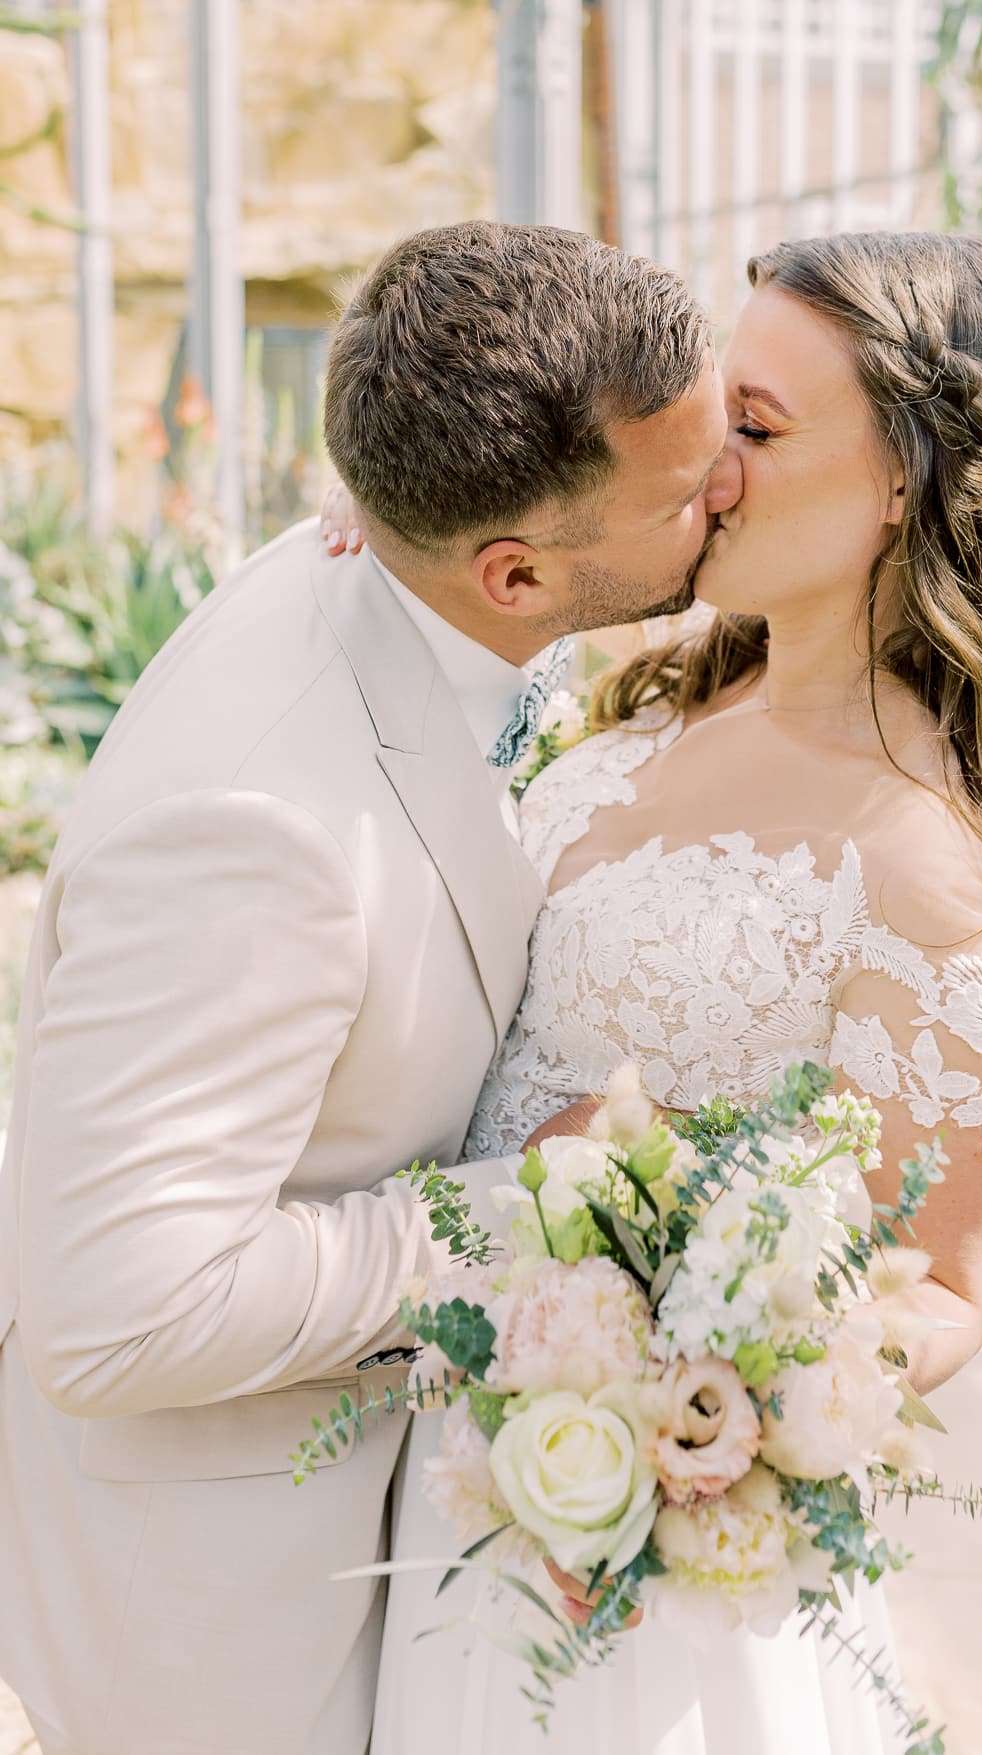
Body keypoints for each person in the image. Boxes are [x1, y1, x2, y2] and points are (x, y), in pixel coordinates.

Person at [330, 230, 982, 1753]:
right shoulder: (623, 696)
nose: (708, 465)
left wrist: (678, 1364)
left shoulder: (926, 868)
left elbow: (939, 1290)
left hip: (635, 1571)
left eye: (754, 428)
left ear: (908, 480)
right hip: (433, 1476)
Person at [0, 221, 740, 1755]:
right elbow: (116, 1312)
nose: (725, 483)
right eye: (681, 492)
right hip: (228, 1621)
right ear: (515, 571)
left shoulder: (394, 560)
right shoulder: (257, 824)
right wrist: (512, 1213)